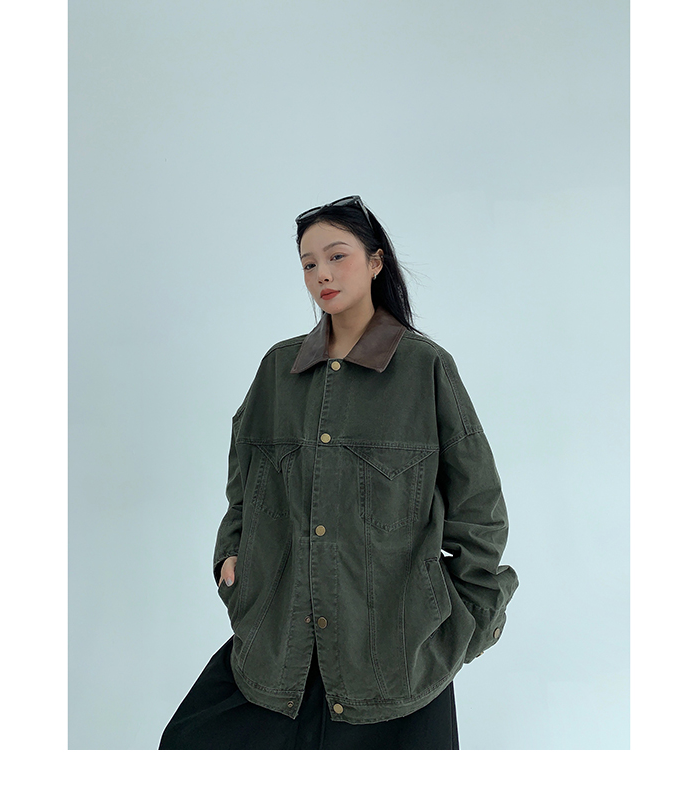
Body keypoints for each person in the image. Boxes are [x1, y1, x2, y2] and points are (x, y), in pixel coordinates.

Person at [159, 195, 518, 750]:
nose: (321, 274)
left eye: (336, 256)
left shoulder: (425, 368)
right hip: (278, 647)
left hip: (396, 661)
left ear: (375, 262)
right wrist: (234, 562)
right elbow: (244, 486)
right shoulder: (278, 370)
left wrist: (458, 625)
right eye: (308, 263)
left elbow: (480, 511)